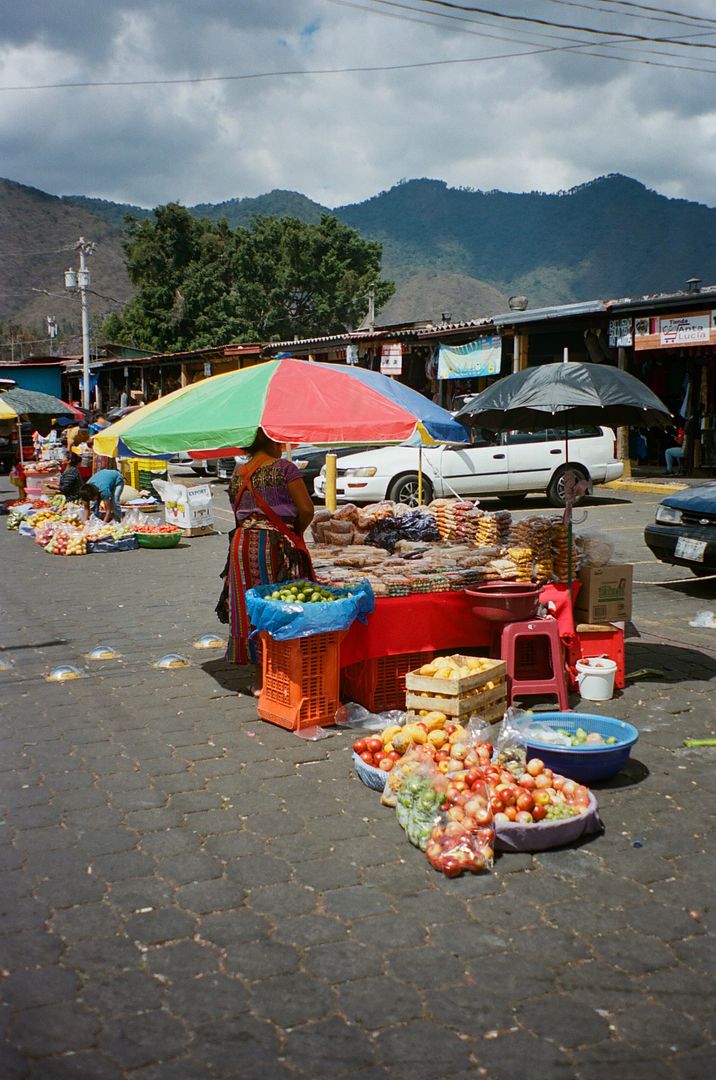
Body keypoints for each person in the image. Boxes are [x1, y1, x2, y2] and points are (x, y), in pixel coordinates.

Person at [218, 429, 315, 692]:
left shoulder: (239, 473)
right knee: (280, 606)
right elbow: (306, 509)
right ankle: (280, 674)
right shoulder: (285, 469)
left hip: (241, 544)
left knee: (250, 607)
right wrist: (295, 532)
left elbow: (237, 512)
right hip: (273, 546)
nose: (283, 447)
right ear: (271, 441)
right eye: (281, 442)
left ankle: (259, 677)